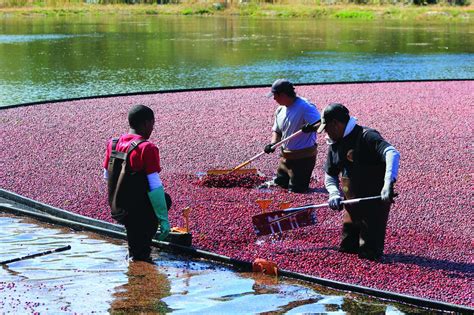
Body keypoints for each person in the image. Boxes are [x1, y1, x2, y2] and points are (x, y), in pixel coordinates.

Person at [317, 103, 400, 261]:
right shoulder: (335, 143)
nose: (325, 133)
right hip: (351, 204)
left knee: (369, 253)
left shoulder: (366, 136)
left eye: (326, 128)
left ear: (336, 123)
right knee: (348, 248)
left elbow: (392, 153)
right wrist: (334, 194)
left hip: (374, 203)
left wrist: (388, 183)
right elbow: (330, 174)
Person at [103, 104, 171, 262]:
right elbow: (155, 186)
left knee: (135, 244)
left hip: (117, 207)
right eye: (152, 124)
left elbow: (107, 175)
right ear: (147, 123)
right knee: (165, 200)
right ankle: (140, 262)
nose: (152, 128)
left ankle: (136, 256)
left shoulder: (113, 143)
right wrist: (163, 219)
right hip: (137, 212)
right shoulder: (146, 148)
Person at [263, 79, 321, 193]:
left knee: (296, 191)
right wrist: (273, 143)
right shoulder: (280, 109)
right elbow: (277, 131)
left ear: (283, 94)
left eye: (275, 95)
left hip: (303, 159)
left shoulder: (305, 107)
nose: (274, 99)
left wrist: (311, 128)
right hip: (285, 158)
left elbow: (321, 124)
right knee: (280, 185)